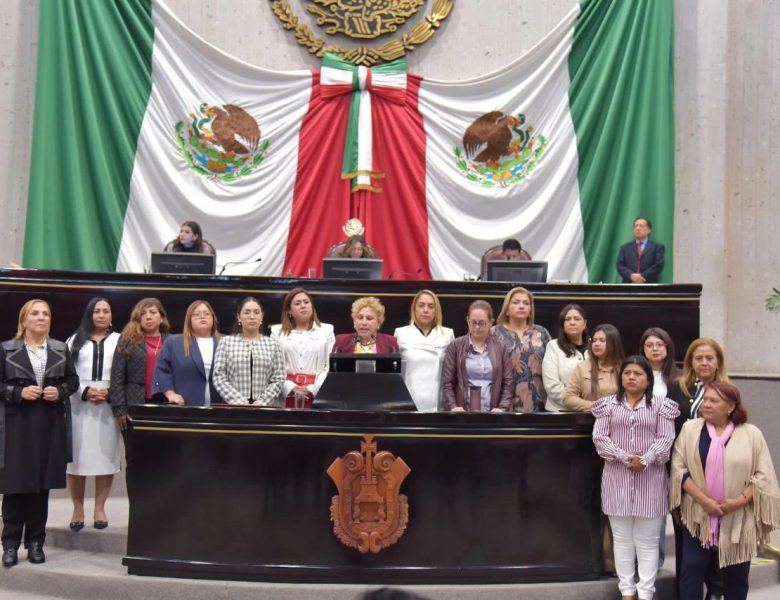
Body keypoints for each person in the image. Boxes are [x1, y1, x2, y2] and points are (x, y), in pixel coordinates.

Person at [671, 382, 780, 600]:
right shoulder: (690, 429)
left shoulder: (751, 434)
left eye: (714, 401)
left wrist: (738, 501)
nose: (706, 404)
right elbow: (678, 469)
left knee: (736, 579)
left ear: (730, 407)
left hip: (738, 517)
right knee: (690, 571)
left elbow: (763, 475)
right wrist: (705, 501)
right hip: (698, 515)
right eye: (705, 399)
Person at [592, 356, 680, 600]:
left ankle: (646, 592)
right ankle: (627, 591)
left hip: (651, 479)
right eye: (627, 373)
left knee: (648, 541)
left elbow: (666, 439)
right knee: (622, 540)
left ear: (648, 380)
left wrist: (645, 459)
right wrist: (624, 457)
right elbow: (600, 437)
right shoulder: (608, 405)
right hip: (616, 478)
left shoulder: (661, 406)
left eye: (638, 373)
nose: (631, 377)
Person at [0, 299, 78, 567]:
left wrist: (61, 391)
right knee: (14, 487)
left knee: (40, 487)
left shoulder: (60, 348)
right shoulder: (6, 349)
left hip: (48, 425)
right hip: (16, 425)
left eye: (46, 313)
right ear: (24, 320)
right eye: (35, 313)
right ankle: (10, 545)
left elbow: (73, 381)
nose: (41, 317)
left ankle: (35, 542)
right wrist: (18, 392)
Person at [667, 337, 730, 597]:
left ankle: (715, 590)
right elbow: (668, 429)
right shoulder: (677, 388)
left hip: (719, 475)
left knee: (716, 536)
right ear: (690, 362)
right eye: (698, 358)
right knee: (687, 539)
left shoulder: (728, 389)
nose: (704, 362)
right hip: (685, 475)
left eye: (709, 358)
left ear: (718, 362)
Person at [66, 298, 121, 533]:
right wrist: (85, 391)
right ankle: (77, 509)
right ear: (89, 314)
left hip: (108, 405)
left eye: (105, 311)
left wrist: (110, 393)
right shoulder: (74, 341)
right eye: (96, 311)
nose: (101, 315)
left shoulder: (120, 340)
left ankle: (100, 508)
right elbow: (67, 373)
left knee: (105, 457)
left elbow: (124, 373)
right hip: (79, 404)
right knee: (76, 460)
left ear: (111, 315)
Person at [110, 297, 170, 468]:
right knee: (136, 458)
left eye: (153, 312)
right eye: (143, 314)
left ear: (161, 317)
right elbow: (117, 377)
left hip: (165, 405)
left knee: (164, 458)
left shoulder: (172, 341)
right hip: (134, 406)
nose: (148, 317)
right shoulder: (127, 340)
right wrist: (120, 409)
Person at [441, 300, 513, 412]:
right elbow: (447, 383)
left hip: (493, 414)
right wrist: (453, 406)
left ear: (491, 322)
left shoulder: (500, 348)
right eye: (473, 322)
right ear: (467, 321)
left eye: (482, 323)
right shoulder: (455, 346)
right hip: (462, 413)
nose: (477, 327)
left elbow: (508, 383)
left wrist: (501, 408)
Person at [212, 297, 284, 405]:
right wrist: (238, 401)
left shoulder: (274, 344)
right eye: (246, 312)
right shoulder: (226, 342)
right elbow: (219, 377)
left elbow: (278, 378)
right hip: (233, 407)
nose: (252, 317)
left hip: (264, 408)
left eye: (256, 312)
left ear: (262, 316)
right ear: (239, 317)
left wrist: (261, 402)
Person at [270, 288, 335, 408]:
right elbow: (273, 365)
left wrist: (313, 389)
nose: (303, 306)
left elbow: (329, 365)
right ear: (289, 310)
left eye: (306, 302)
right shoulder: (277, 332)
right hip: (285, 393)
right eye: (297, 303)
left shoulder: (327, 331)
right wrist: (288, 387)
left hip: (317, 393)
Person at [393, 290, 455, 412]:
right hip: (406, 402)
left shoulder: (448, 334)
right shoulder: (400, 333)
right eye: (421, 305)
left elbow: (451, 374)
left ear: (436, 310)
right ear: (414, 309)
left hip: (437, 404)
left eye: (431, 306)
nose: (425, 310)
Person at [153, 300, 222, 407]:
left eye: (206, 314)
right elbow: (161, 371)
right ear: (189, 319)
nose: (202, 317)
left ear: (213, 318)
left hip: (221, 407)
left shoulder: (225, 342)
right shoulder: (173, 343)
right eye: (197, 314)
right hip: (185, 406)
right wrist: (170, 394)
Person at [493, 287, 551, 412]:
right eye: (516, 302)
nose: (521, 306)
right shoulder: (494, 333)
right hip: (503, 402)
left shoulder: (542, 332)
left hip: (539, 401)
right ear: (507, 309)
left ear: (530, 310)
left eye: (526, 303)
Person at [564, 323, 625, 412]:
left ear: (613, 343)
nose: (596, 344)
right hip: (590, 417)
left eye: (602, 340)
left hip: (619, 417)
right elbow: (569, 398)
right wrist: (594, 406)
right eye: (594, 340)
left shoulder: (624, 368)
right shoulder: (582, 367)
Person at [542, 304, 588, 412]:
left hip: (592, 411)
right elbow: (552, 386)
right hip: (560, 411)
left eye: (577, 319)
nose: (572, 322)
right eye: (568, 319)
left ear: (585, 323)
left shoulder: (595, 346)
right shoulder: (553, 346)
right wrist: (581, 403)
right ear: (563, 325)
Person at [332, 296, 400, 354]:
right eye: (360, 317)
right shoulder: (341, 341)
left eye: (369, 318)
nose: (364, 323)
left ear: (378, 323)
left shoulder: (390, 343)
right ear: (354, 321)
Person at [615, 217, 665, 283]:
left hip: (649, 284)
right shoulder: (625, 248)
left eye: (641, 226)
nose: (638, 228)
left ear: (649, 230)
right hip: (629, 284)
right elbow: (620, 265)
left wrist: (641, 277)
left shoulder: (657, 247)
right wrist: (631, 275)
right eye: (636, 226)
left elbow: (658, 265)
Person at [639, 327, 680, 400]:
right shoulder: (635, 374)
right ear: (643, 349)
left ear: (668, 347)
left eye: (660, 344)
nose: (655, 349)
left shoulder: (681, 376)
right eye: (649, 345)